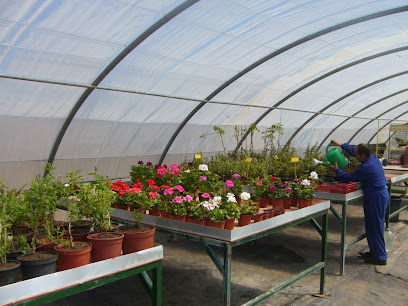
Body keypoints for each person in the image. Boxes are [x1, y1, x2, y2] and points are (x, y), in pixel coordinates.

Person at [330, 139, 389, 265]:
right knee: (372, 225)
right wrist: (341, 145)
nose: (355, 157)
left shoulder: (367, 167)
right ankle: (375, 252)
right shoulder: (372, 158)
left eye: (357, 155)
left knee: (375, 226)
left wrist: (337, 170)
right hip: (378, 194)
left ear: (363, 155)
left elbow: (349, 178)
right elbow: (353, 150)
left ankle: (380, 257)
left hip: (376, 196)